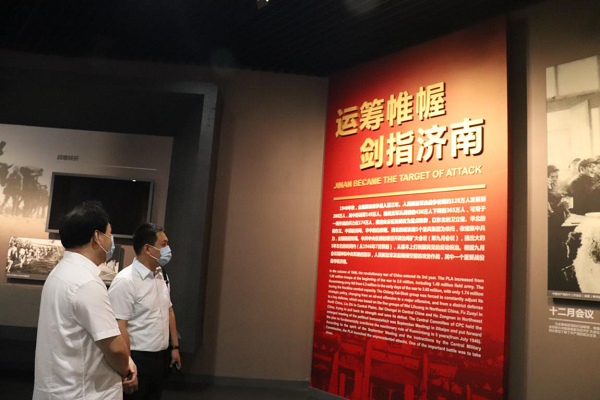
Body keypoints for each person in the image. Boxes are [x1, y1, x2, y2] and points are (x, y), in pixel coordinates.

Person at [33, 200, 138, 399]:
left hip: (61, 387)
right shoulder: (87, 282)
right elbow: (114, 347)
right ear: (97, 237)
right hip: (85, 391)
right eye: (109, 233)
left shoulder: (59, 272)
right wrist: (126, 368)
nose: (111, 239)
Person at [109, 223, 181, 400]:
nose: (168, 249)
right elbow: (119, 326)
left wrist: (175, 347)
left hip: (160, 357)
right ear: (148, 248)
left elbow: (169, 310)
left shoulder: (162, 275)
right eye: (163, 244)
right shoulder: (126, 280)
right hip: (138, 357)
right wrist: (127, 366)